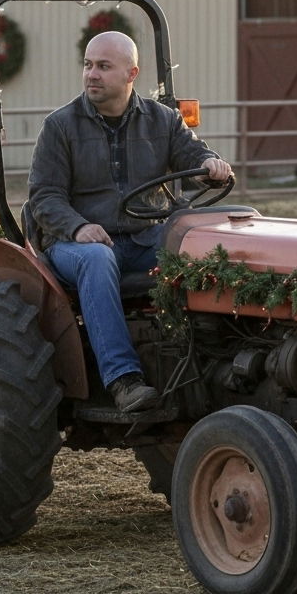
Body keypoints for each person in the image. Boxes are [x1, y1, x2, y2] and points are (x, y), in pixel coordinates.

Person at [26, 31, 233, 412]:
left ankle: (214, 362)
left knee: (204, 248)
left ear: (131, 73)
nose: (92, 74)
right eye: (88, 65)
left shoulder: (163, 120)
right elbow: (44, 197)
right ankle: (123, 380)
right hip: (74, 245)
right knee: (98, 259)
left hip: (143, 238)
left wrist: (210, 165)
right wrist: (78, 227)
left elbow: (194, 156)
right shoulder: (60, 126)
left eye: (103, 67)